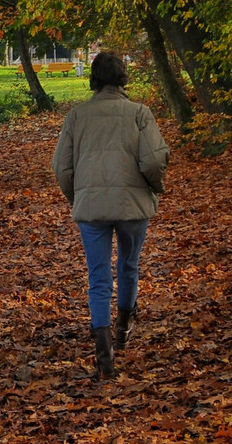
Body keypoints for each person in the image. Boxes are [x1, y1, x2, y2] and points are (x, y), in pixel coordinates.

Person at [52, 51, 169, 380]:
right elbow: (153, 161)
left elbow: (62, 167)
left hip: (92, 210)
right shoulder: (139, 114)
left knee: (99, 277)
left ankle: (105, 354)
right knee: (129, 265)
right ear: (122, 78)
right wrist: (154, 187)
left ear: (93, 79)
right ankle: (123, 325)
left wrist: (79, 197)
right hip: (133, 206)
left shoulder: (77, 116)